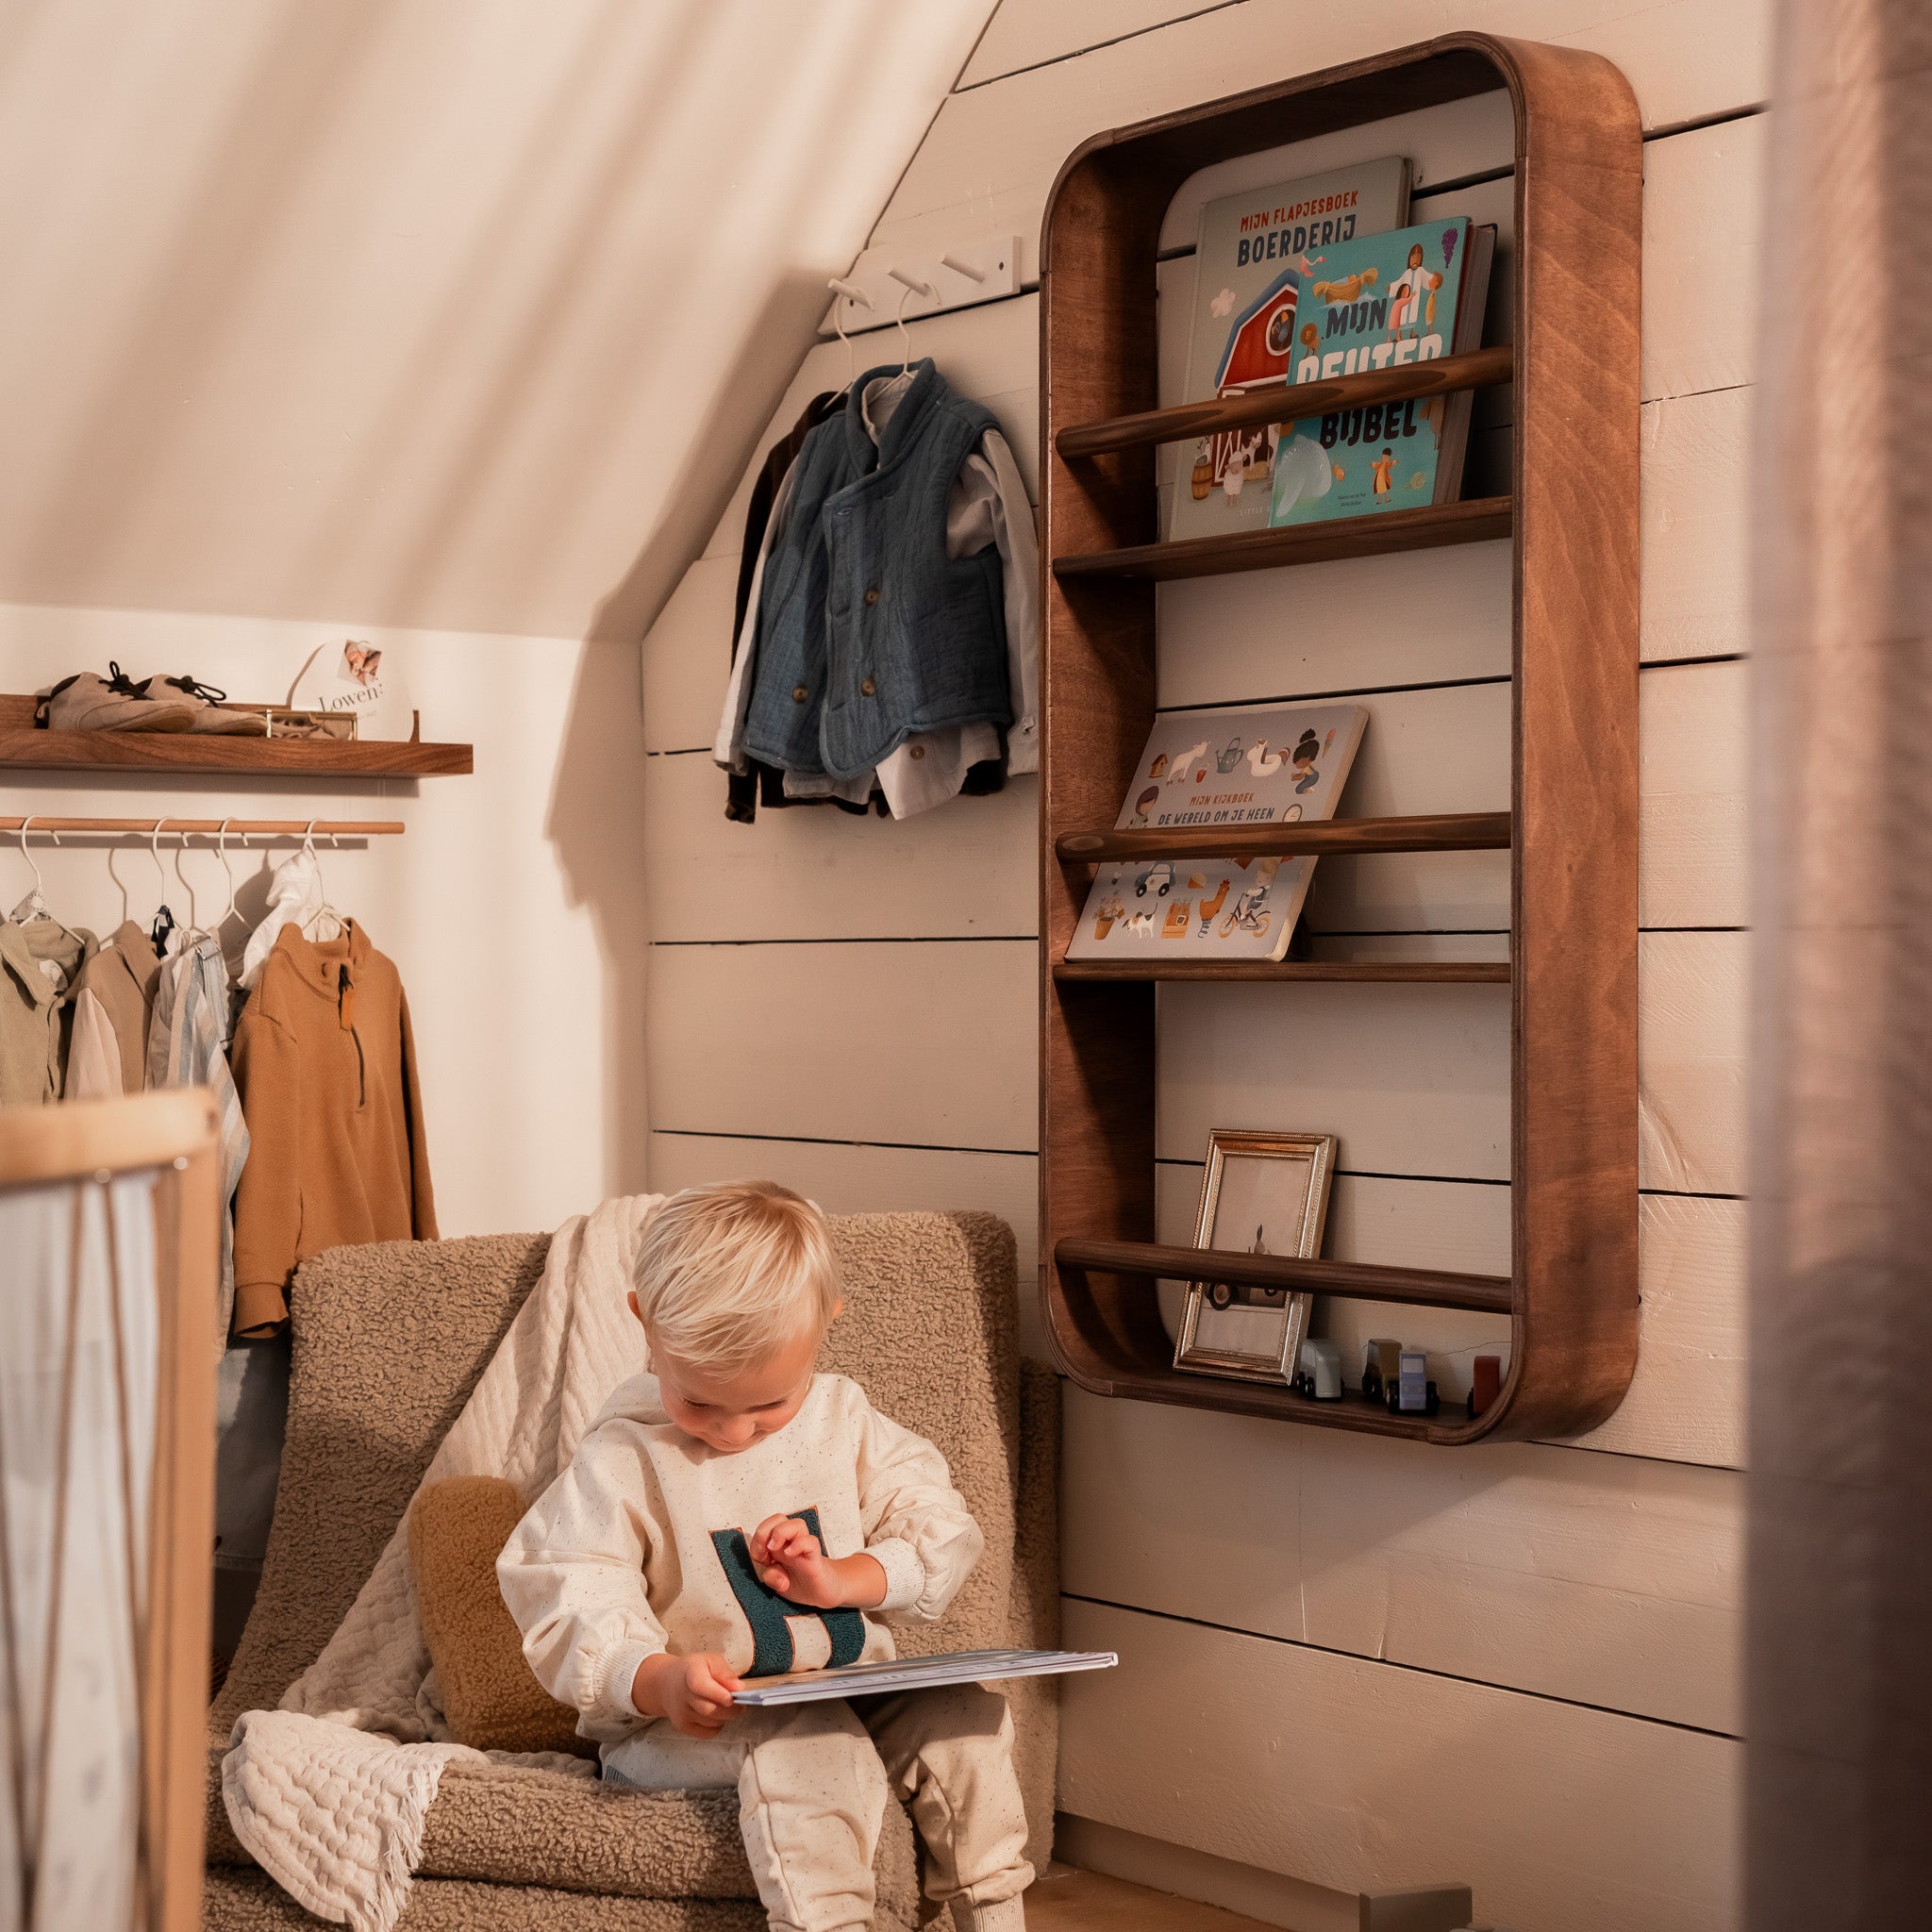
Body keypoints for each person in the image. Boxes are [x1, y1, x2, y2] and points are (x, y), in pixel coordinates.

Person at [498, 1182, 1032, 1932]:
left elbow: (936, 1519)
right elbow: (569, 1588)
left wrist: (846, 1578)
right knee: (810, 1748)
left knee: (964, 1719)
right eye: (702, 1404)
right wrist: (656, 1680)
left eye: (769, 1405)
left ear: (823, 1330)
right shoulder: (622, 1460)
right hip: (681, 1730)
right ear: (645, 1325)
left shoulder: (844, 1420)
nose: (735, 1432)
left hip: (846, 1686)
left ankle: (995, 1911)